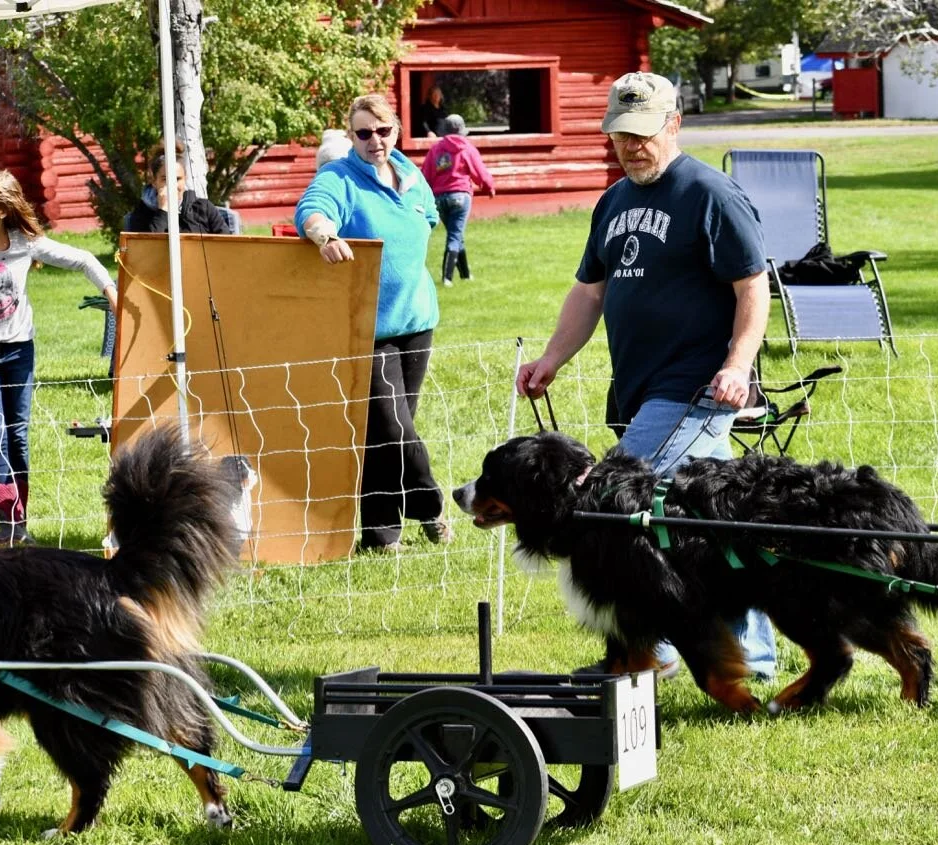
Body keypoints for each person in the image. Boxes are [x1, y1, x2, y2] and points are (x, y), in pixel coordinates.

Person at [515, 72, 777, 680]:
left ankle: (645, 654)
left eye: (643, 133)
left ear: (674, 124)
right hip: (639, 389)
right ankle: (752, 661)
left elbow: (753, 287)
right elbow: (590, 291)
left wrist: (737, 365)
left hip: (694, 389)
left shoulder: (711, 195)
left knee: (612, 504)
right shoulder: (613, 202)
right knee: (715, 524)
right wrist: (552, 359)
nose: (632, 146)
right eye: (621, 135)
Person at [294, 93, 451, 551]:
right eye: (363, 133)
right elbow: (311, 210)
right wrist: (325, 235)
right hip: (370, 329)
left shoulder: (410, 174)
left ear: (396, 131)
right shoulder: (340, 177)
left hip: (417, 322)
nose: (374, 140)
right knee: (395, 428)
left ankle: (381, 535)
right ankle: (431, 506)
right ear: (351, 136)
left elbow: (429, 217)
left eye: (382, 131)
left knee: (388, 434)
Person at [0, 171, 118, 545]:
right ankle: (7, 523)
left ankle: (19, 524)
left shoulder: (24, 243)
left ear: (1, 210)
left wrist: (112, 293)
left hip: (19, 350)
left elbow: (83, 259)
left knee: (17, 435)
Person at [421, 114, 495, 288]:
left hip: (439, 198)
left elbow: (425, 175)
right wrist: (489, 186)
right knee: (455, 235)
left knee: (456, 234)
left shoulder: (435, 149)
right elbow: (479, 172)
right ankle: (447, 277)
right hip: (461, 196)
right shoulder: (467, 148)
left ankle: (465, 274)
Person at [126, 142, 232, 235]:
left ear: (185, 179)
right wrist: (163, 212)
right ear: (154, 182)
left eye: (177, 179)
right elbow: (145, 247)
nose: (172, 185)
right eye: (165, 179)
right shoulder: (142, 213)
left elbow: (227, 245)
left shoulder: (204, 208)